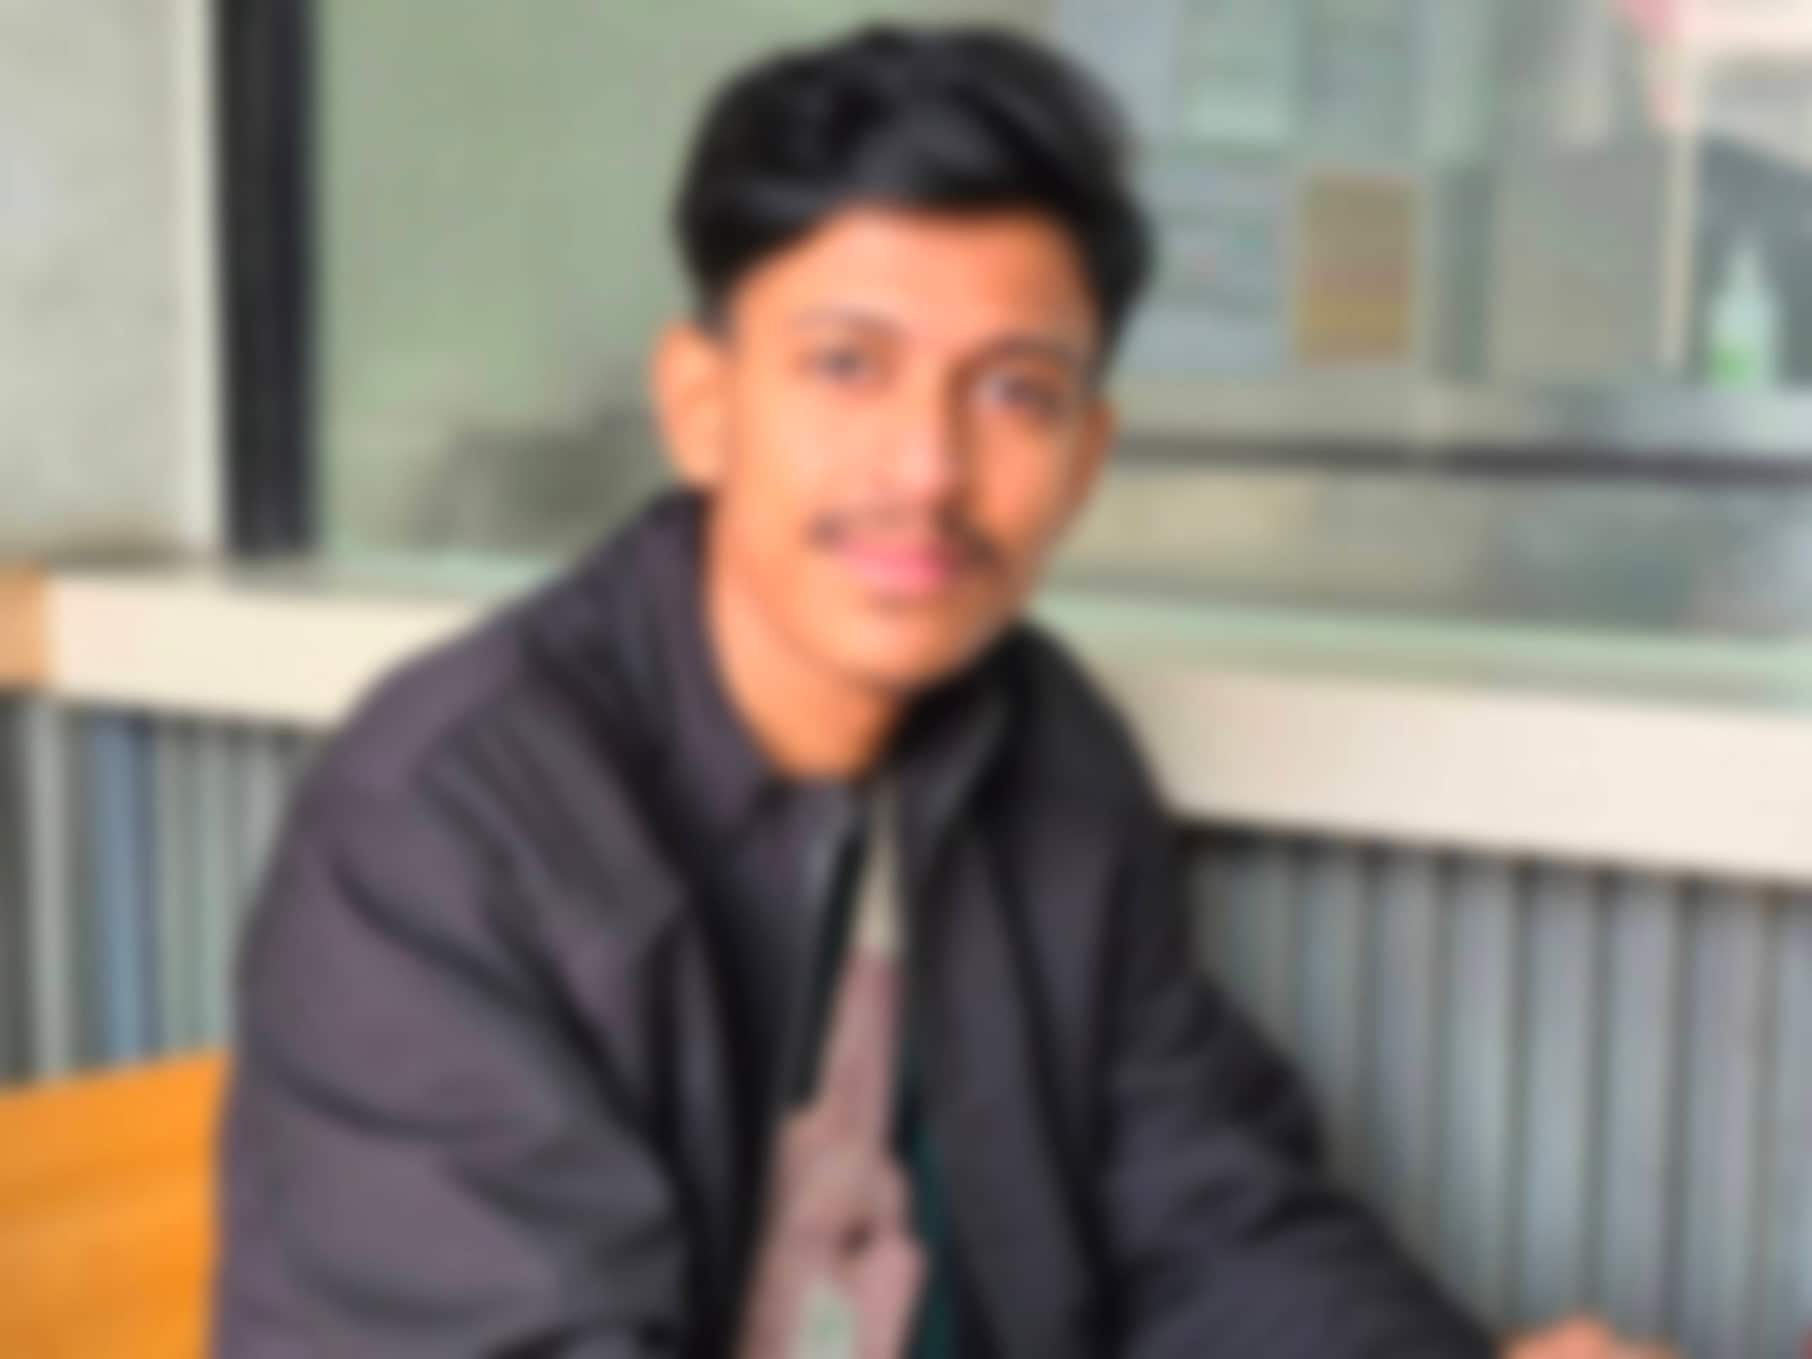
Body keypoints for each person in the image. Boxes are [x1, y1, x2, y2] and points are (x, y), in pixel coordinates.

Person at [214, 25, 1673, 1359]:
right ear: (702, 404)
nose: (926, 468)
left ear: (1086, 457)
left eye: (1014, 391)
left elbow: (1207, 1219)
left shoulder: (1045, 750)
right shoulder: (450, 821)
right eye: (848, 366)